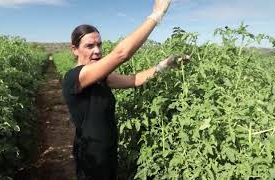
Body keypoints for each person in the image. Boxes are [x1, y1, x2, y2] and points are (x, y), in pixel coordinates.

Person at [62, 0, 189, 179]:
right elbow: (121, 54)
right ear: (74, 50)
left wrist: (164, 65)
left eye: (99, 45)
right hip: (91, 159)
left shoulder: (101, 78)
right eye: (89, 46)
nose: (97, 51)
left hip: (109, 153)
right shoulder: (74, 77)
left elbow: (134, 79)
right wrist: (157, 14)